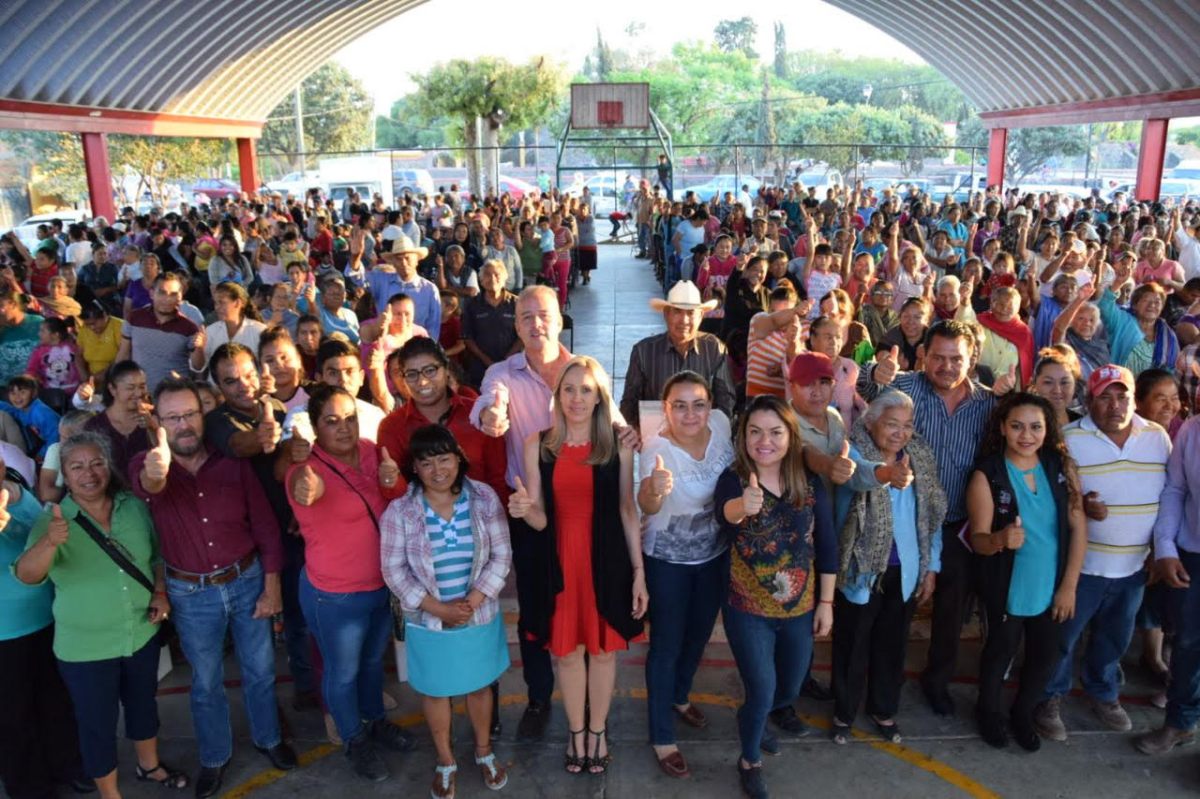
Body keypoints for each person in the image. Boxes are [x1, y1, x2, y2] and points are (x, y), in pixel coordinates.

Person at [131, 376, 295, 796]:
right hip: (190, 594)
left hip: (247, 580)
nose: (183, 425)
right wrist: (156, 470)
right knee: (205, 683)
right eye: (172, 418)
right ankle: (215, 757)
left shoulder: (232, 462)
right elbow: (150, 484)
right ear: (158, 423)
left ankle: (269, 739)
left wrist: (272, 583)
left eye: (189, 415)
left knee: (260, 671)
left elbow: (264, 526)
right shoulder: (147, 464)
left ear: (203, 416)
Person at [14, 433, 186, 796]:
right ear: (63, 474)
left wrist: (160, 592)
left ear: (108, 465)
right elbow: (28, 575)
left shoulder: (133, 506)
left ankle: (149, 766)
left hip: (140, 633)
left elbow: (156, 556)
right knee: (97, 724)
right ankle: (110, 794)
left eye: (96, 463)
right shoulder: (53, 521)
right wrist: (49, 542)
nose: (89, 473)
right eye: (76, 466)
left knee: (143, 706)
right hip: (85, 649)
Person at [859, 320, 1015, 717]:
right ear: (924, 355)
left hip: (959, 525)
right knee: (899, 604)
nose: (946, 366)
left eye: (956, 359)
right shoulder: (905, 388)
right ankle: (881, 681)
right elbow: (869, 394)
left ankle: (937, 680)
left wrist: (1014, 397)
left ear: (972, 359)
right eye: (938, 358)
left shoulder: (989, 402)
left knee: (951, 608)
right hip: (907, 524)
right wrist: (874, 375)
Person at [508, 355, 647, 776]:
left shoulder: (618, 446)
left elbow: (627, 509)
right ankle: (575, 731)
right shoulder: (537, 444)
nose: (576, 398)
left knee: (604, 653)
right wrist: (523, 509)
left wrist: (639, 571)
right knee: (568, 655)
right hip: (560, 562)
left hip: (607, 561)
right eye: (569, 389)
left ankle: (599, 731)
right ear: (557, 395)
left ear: (600, 397)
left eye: (586, 390)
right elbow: (540, 518)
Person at [1034, 365, 1171, 742]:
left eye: (1122, 395)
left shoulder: (1157, 437)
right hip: (1085, 566)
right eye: (1105, 396)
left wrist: (1161, 548)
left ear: (1133, 398)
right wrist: (1080, 504)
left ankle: (1104, 693)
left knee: (1114, 638)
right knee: (1064, 638)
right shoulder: (1069, 437)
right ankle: (1050, 698)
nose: (1115, 405)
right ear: (1089, 400)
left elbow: (1170, 496)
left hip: (1133, 567)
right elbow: (1051, 498)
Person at [286, 386, 414, 781]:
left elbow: (398, 499)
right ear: (315, 427)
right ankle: (353, 739)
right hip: (336, 596)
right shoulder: (304, 468)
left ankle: (375, 720)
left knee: (373, 663)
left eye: (349, 418)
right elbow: (303, 490)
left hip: (382, 584)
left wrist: (392, 480)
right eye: (331, 421)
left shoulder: (373, 451)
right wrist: (305, 484)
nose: (343, 429)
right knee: (341, 673)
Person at [714, 395, 835, 799]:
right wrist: (741, 507)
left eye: (775, 432)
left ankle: (756, 715)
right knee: (762, 687)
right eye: (755, 432)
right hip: (747, 609)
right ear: (743, 437)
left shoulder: (809, 483)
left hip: (800, 609)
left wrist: (827, 603)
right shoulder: (734, 480)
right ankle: (749, 759)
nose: (764, 441)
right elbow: (724, 514)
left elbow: (827, 545)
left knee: (790, 686)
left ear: (790, 436)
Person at [381, 424, 511, 798]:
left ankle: (484, 752)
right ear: (414, 469)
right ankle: (445, 759)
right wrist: (437, 607)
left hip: (478, 615)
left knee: (479, 686)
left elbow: (502, 555)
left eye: (444, 458)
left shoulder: (484, 498)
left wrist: (474, 600)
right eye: (426, 463)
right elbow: (393, 570)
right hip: (428, 621)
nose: (438, 469)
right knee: (436, 691)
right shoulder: (400, 511)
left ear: (459, 458)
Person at [967, 393, 1087, 751]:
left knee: (1044, 657)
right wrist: (1001, 539)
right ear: (1003, 428)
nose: (1026, 435)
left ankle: (1022, 713)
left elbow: (1079, 528)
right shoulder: (987, 475)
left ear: (1047, 429)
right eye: (1017, 426)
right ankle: (988, 712)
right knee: (999, 653)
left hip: (1052, 586)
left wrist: (1069, 586)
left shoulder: (1060, 466)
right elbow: (978, 541)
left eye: (1036, 427)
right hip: (1009, 587)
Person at [831, 391, 947, 745]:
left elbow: (932, 517)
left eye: (907, 425)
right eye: (892, 423)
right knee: (852, 644)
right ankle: (844, 712)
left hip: (907, 569)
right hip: (861, 570)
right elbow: (860, 477)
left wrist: (932, 567)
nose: (900, 432)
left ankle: (883, 709)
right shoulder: (853, 451)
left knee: (893, 644)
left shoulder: (921, 456)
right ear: (870, 422)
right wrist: (888, 474)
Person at [637, 371, 734, 778]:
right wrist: (656, 489)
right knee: (666, 645)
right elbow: (648, 505)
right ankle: (662, 735)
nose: (690, 413)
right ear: (666, 409)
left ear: (710, 406)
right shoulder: (656, 449)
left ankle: (678, 696)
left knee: (698, 636)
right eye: (679, 405)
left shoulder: (722, 426)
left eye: (698, 404)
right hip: (667, 564)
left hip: (713, 557)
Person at [0, 454, 91, 799]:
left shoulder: (18, 489)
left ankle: (68, 765)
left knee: (57, 702)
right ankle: (29, 787)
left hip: (50, 618)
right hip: (4, 634)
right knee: (13, 716)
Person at [1138, 406, 1200, 754]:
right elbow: (1176, 490)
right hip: (1193, 553)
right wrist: (1165, 547)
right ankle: (1180, 722)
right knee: (1189, 644)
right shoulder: (1192, 429)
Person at [378, 337, 506, 503]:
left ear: (446, 370)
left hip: (484, 519)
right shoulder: (392, 426)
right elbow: (395, 495)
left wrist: (499, 521)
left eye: (430, 370)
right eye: (411, 374)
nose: (422, 381)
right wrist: (390, 479)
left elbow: (499, 478)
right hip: (423, 523)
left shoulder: (478, 414)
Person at [620, 280, 737, 429]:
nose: (684, 320)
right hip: (658, 441)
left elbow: (726, 400)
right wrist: (635, 433)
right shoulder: (643, 351)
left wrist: (715, 437)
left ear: (701, 316)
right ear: (666, 314)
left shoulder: (714, 349)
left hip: (703, 441)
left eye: (690, 313)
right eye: (677, 311)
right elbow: (629, 403)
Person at [115, 272, 200, 392]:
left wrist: (199, 347)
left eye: (173, 294)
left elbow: (197, 367)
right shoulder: (134, 318)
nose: (167, 299)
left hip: (174, 396)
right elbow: (123, 355)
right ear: (151, 293)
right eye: (162, 292)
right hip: (139, 395)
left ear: (180, 297)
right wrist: (116, 385)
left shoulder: (189, 328)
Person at [82, 360, 153, 477]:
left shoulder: (154, 419)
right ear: (112, 389)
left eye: (142, 386)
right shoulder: (95, 426)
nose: (139, 393)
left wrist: (152, 428)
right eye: (130, 388)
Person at [366, 235, 441, 338]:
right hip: (385, 347)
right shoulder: (381, 281)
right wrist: (355, 257)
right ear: (393, 262)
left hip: (416, 349)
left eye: (407, 258)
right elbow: (358, 280)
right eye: (399, 259)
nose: (403, 263)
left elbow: (433, 329)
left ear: (416, 260)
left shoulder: (430, 290)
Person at [462, 260, 519, 388]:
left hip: (512, 365)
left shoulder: (517, 303)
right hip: (480, 368)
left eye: (497, 274)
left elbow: (523, 336)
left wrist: (507, 359)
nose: (492, 278)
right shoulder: (472, 305)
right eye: (487, 274)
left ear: (505, 278)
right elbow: (467, 337)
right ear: (481, 280)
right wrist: (487, 361)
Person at [0, 284, 44, 387]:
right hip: (4, 388)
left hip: (33, 386)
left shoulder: (38, 323)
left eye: (0, 306)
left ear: (13, 304)